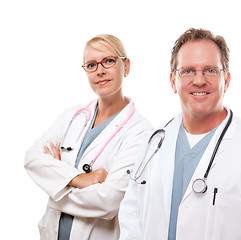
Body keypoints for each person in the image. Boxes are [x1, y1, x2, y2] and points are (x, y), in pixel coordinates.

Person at [118, 28, 241, 240]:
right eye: (188, 71)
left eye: (210, 70)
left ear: (226, 80)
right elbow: (131, 217)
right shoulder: (153, 144)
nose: (199, 81)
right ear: (173, 81)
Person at [24, 34, 152, 240]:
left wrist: (54, 187)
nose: (100, 70)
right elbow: (31, 158)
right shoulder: (73, 116)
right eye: (91, 65)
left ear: (126, 66)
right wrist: (79, 179)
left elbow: (108, 201)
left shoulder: (141, 132)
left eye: (109, 61)